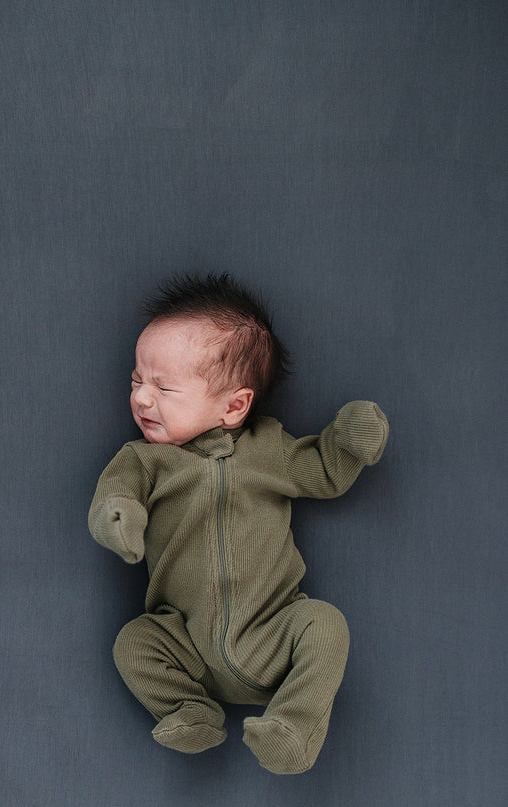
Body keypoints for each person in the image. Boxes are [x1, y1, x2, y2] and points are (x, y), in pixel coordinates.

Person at [88, 272, 389, 773]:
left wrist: (347, 443)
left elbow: (321, 472)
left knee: (326, 625)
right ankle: (190, 709)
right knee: (133, 643)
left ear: (234, 405)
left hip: (271, 636)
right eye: (137, 380)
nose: (142, 398)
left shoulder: (269, 449)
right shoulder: (144, 460)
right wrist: (117, 518)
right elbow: (115, 495)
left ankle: (293, 727)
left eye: (164, 387)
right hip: (185, 643)